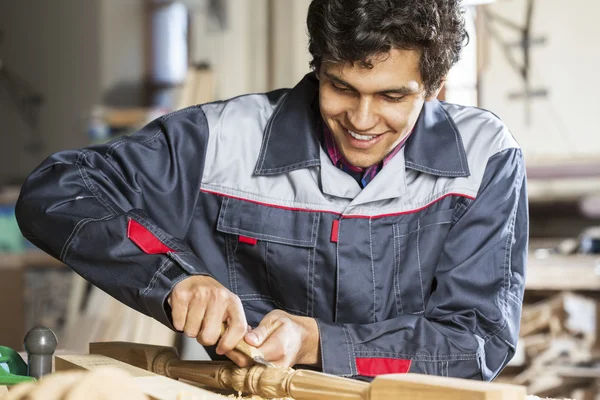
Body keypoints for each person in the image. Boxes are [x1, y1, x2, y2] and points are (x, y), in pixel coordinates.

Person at [15, 0, 528, 381]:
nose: (362, 120)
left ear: (436, 88)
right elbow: (57, 191)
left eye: (392, 96)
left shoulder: (484, 158)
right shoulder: (224, 140)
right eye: (341, 87)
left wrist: (316, 343)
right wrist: (176, 279)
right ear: (318, 67)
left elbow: (474, 343)